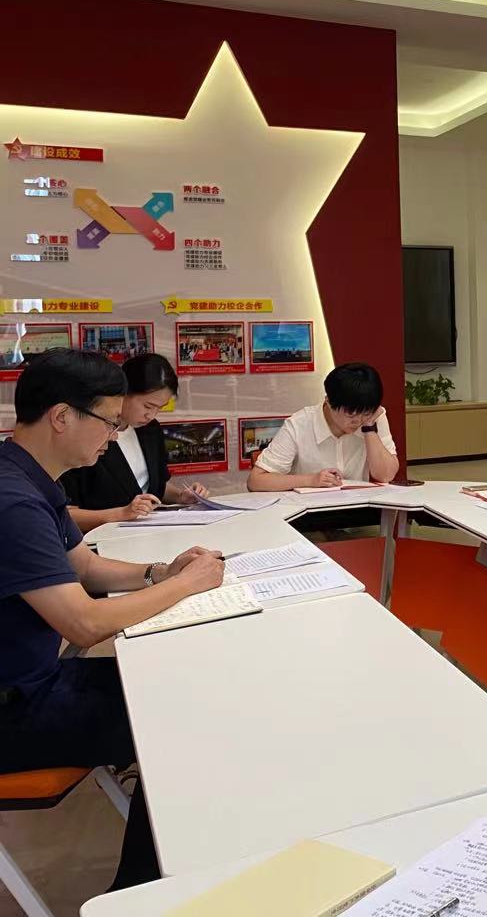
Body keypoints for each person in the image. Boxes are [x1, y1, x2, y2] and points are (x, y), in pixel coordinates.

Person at [0, 350, 225, 891]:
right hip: (16, 707)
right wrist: (184, 586)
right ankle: (138, 895)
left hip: (35, 683)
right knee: (184, 720)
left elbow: (85, 566)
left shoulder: (30, 476)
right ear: (61, 417)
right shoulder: (13, 501)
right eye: (109, 421)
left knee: (181, 689)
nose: (115, 435)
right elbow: (83, 624)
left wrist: (159, 572)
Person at [62, 353, 211, 531]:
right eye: (148, 406)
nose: (151, 415)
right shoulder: (87, 434)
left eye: (159, 408)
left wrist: (181, 496)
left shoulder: (150, 430)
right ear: (124, 392)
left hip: (150, 532)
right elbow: (63, 513)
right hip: (102, 536)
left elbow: (154, 487)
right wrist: (120, 514)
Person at [247, 361, 399, 490]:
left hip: (357, 509)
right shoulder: (300, 424)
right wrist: (311, 480)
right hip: (309, 511)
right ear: (329, 402)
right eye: (351, 414)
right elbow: (256, 481)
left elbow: (385, 475)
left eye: (365, 413)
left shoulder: (372, 418)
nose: (358, 421)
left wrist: (369, 428)